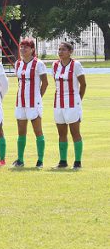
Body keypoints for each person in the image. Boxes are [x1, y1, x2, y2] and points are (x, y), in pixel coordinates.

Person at [13, 39, 48, 168]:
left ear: (32, 49)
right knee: (21, 132)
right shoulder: (18, 63)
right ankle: (20, 159)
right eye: (21, 47)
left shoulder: (39, 64)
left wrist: (38, 97)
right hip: (20, 102)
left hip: (34, 102)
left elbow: (45, 83)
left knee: (38, 131)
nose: (22, 49)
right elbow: (20, 82)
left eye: (26, 47)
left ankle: (40, 160)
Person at [52, 41, 86, 169]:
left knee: (75, 132)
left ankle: (77, 162)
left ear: (70, 52)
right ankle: (63, 161)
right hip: (58, 103)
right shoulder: (55, 65)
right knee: (61, 133)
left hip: (72, 103)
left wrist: (78, 100)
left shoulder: (76, 65)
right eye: (59, 49)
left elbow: (83, 84)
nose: (60, 52)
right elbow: (56, 84)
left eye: (63, 49)